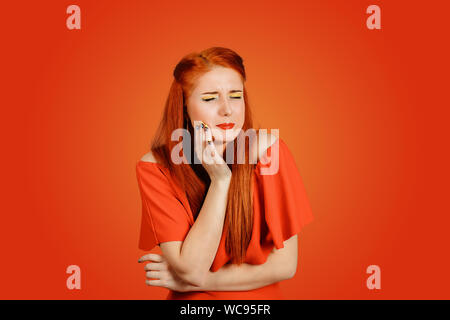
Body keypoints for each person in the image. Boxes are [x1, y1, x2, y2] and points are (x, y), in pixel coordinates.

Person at [136, 47, 314, 299]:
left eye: (235, 96)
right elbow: (192, 268)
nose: (227, 110)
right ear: (184, 106)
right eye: (209, 99)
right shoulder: (155, 166)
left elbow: (285, 265)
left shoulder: (269, 151)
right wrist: (221, 181)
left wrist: (193, 283)